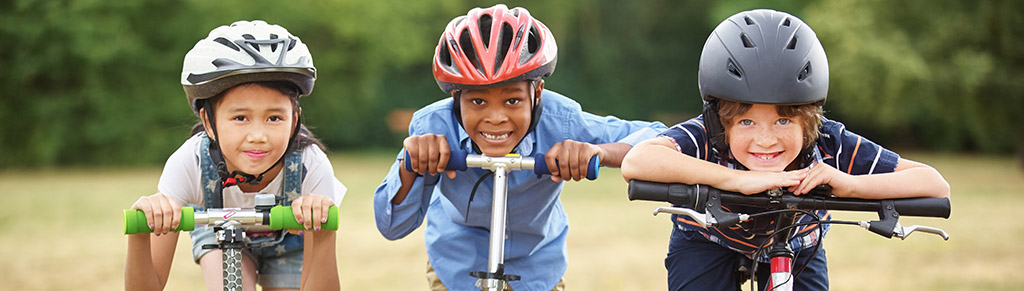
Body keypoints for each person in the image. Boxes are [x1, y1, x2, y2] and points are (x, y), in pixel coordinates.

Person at [620, 9, 950, 291]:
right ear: (721, 122)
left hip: (797, 240)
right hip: (708, 235)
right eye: (746, 122)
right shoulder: (706, 133)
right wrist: (734, 181)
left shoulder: (828, 142)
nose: (766, 140)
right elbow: (637, 161)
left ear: (809, 122)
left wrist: (849, 184)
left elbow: (934, 184)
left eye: (783, 121)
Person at [373, 4, 667, 291]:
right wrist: (410, 164)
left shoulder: (561, 121)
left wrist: (599, 152)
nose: (496, 118)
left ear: (537, 92)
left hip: (536, 268)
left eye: (512, 100)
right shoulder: (433, 127)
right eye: (477, 101)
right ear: (455, 98)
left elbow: (660, 137)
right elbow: (392, 226)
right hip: (457, 267)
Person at [124, 20, 345, 291]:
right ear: (208, 122)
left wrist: (322, 230)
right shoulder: (190, 163)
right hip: (220, 233)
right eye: (240, 117)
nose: (258, 135)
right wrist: (140, 233)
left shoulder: (311, 165)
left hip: (291, 242)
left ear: (294, 119)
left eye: (274, 118)